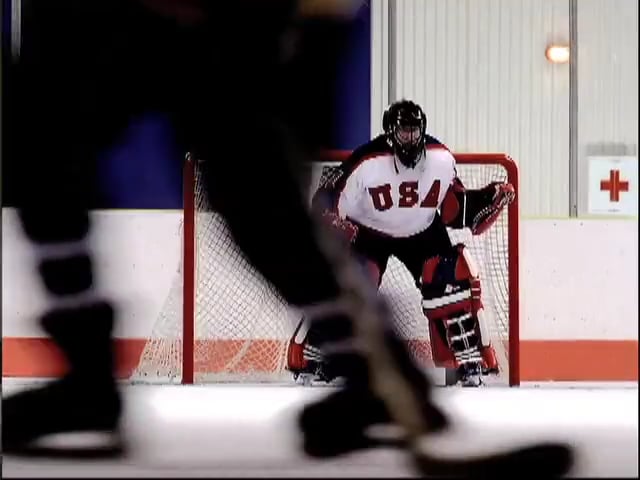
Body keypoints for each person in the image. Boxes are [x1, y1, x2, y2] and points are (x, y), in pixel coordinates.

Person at [2, 1, 573, 475]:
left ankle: (381, 380)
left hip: (222, 21)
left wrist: (314, 52)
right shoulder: (368, 166)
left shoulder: (435, 161)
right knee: (42, 141)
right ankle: (88, 378)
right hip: (145, 18)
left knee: (256, 199)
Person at [287, 99, 514, 387]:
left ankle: (468, 359)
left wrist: (487, 198)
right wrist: (333, 221)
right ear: (390, 132)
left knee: (450, 276)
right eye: (404, 131)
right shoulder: (366, 161)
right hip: (370, 232)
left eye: (414, 131)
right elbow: (326, 198)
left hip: (423, 230)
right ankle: (322, 358)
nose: (410, 138)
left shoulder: (441, 159)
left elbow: (456, 211)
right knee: (351, 282)